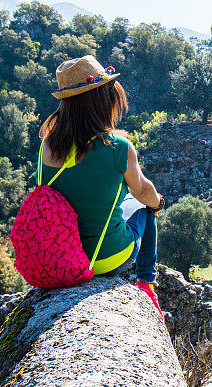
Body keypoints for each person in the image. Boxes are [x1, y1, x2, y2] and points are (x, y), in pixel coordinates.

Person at [37, 55, 165, 315]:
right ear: (102, 100)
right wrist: (159, 202)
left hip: (63, 256)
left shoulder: (47, 146)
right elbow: (143, 191)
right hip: (106, 258)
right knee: (146, 208)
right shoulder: (118, 147)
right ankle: (146, 283)